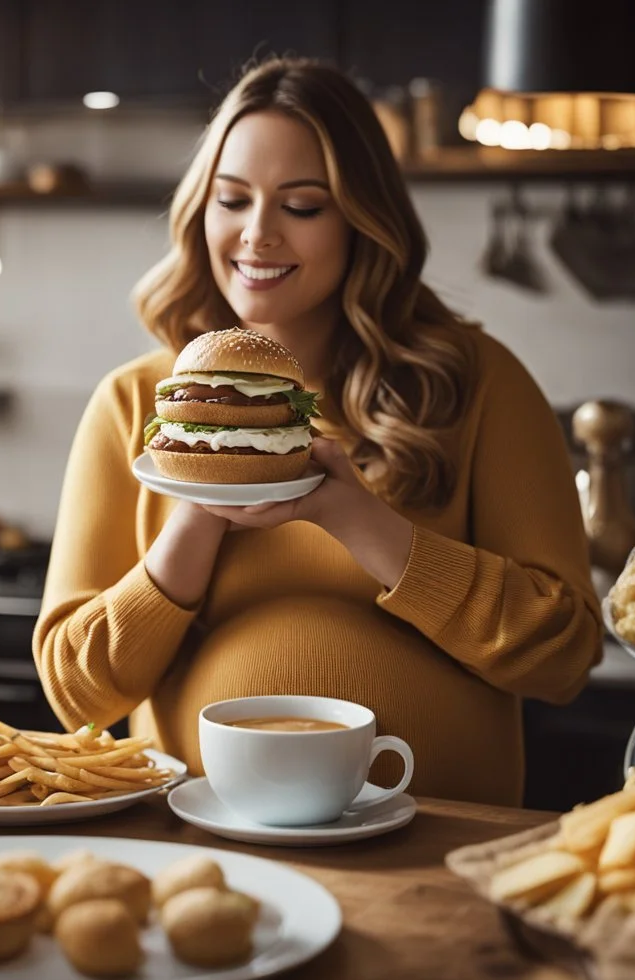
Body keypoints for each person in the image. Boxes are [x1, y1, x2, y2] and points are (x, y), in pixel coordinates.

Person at [32, 57, 604, 806]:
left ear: (364, 220)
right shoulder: (136, 402)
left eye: (302, 206)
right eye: (231, 200)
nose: (257, 235)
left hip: (438, 838)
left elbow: (563, 657)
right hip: (203, 842)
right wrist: (199, 506)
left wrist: (357, 518)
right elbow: (78, 695)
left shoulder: (477, 382)